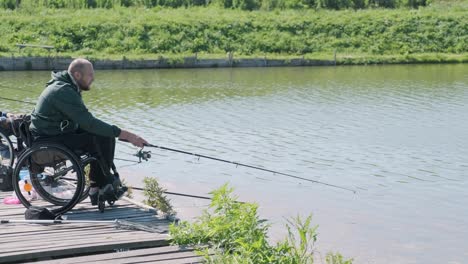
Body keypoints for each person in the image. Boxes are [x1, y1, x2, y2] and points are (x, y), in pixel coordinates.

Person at [29, 58, 148, 205]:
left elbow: (85, 122)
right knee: (96, 139)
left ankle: (99, 185)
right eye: (90, 75)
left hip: (56, 132)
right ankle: (100, 185)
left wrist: (113, 132)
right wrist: (128, 135)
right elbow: (89, 123)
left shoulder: (68, 87)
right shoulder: (63, 90)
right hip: (47, 139)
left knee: (104, 135)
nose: (93, 78)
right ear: (78, 75)